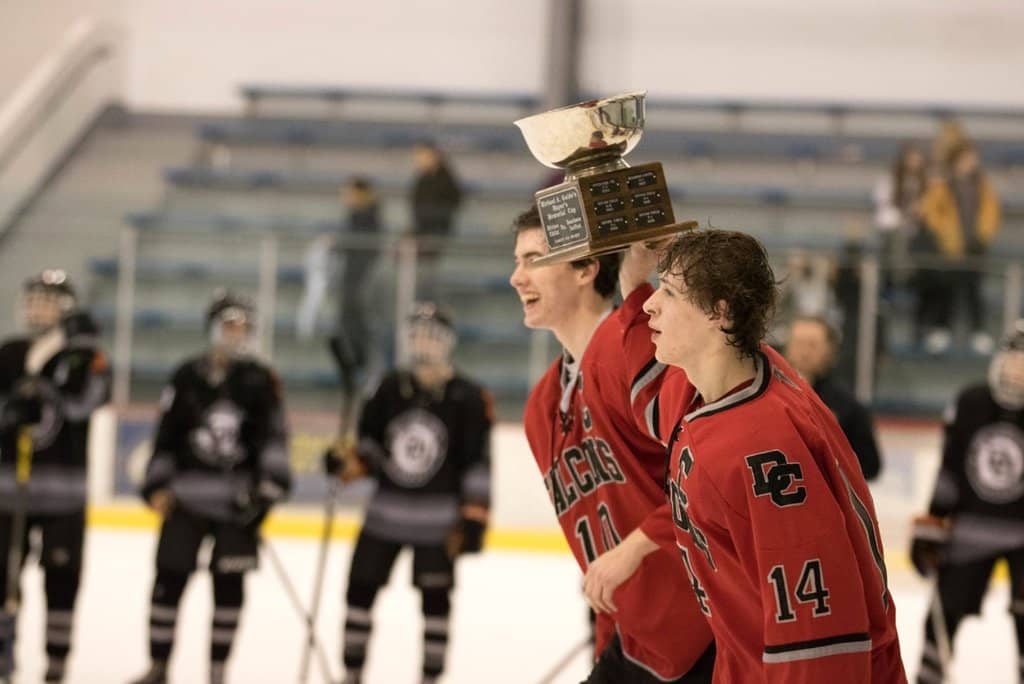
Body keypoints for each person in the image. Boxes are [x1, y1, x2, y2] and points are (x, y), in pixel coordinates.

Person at [637, 229, 905, 682]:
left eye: (669, 292)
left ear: (720, 313)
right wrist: (627, 279)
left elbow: (817, 632)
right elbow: (641, 394)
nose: (650, 304)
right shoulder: (716, 383)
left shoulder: (766, 447)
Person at [510, 205, 715, 683]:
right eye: (517, 261)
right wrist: (609, 643)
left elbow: (711, 475)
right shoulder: (541, 407)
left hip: (709, 630)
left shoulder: (638, 351)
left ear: (586, 268)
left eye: (533, 259)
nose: (517, 277)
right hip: (637, 641)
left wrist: (635, 548)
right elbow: (598, 555)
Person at [130, 291, 291, 684]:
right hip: (185, 500)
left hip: (238, 505)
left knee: (229, 588)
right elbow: (166, 437)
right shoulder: (186, 375)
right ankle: (159, 666)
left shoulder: (261, 379)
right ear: (213, 328)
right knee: (168, 579)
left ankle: (218, 672)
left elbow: (274, 439)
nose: (236, 334)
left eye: (243, 327)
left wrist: (266, 491)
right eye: (229, 325)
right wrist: (157, 485)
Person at [325, 303, 492, 684]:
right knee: (359, 592)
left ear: (447, 343)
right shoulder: (388, 388)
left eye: (432, 336)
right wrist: (344, 463)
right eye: (416, 335)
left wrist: (474, 517)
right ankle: (351, 674)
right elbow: (369, 452)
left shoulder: (468, 397)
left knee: (435, 604)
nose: (423, 343)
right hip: (384, 516)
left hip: (438, 523)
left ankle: (430, 678)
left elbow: (477, 463)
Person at [0, 270, 110, 684]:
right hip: (9, 491)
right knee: (3, 577)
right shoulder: (10, 352)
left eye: (47, 302)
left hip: (64, 494)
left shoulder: (84, 356)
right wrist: (10, 411)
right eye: (33, 300)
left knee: (62, 580)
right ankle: (4, 654)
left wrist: (73, 353)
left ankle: (56, 663)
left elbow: (86, 402)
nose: (37, 309)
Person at [909, 322, 1024, 684]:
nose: (1017, 370)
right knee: (943, 614)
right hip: (969, 530)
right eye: (1014, 360)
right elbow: (950, 471)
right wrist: (932, 525)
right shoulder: (971, 403)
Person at [918, 143, 1002, 355]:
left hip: (974, 247)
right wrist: (944, 232)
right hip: (949, 248)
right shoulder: (943, 185)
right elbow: (930, 211)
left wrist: (983, 234)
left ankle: (978, 332)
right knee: (946, 289)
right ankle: (942, 330)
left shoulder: (981, 185)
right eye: (967, 158)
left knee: (974, 290)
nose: (971, 163)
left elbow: (991, 211)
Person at [785, 315, 882, 481]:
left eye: (812, 345)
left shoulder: (847, 405)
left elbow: (870, 465)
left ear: (829, 350)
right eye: (798, 343)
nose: (804, 352)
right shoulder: (769, 397)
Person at [334, 176, 381, 369]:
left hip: (360, 279)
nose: (345, 197)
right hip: (353, 277)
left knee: (357, 321)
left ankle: (360, 363)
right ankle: (354, 362)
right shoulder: (359, 216)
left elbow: (365, 249)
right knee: (348, 322)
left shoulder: (368, 217)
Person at [410, 141, 462, 299]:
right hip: (423, 233)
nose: (419, 160)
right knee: (421, 275)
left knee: (427, 276)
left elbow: (453, 202)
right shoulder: (422, 178)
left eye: (422, 155)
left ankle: (428, 301)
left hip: (435, 232)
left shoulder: (445, 179)